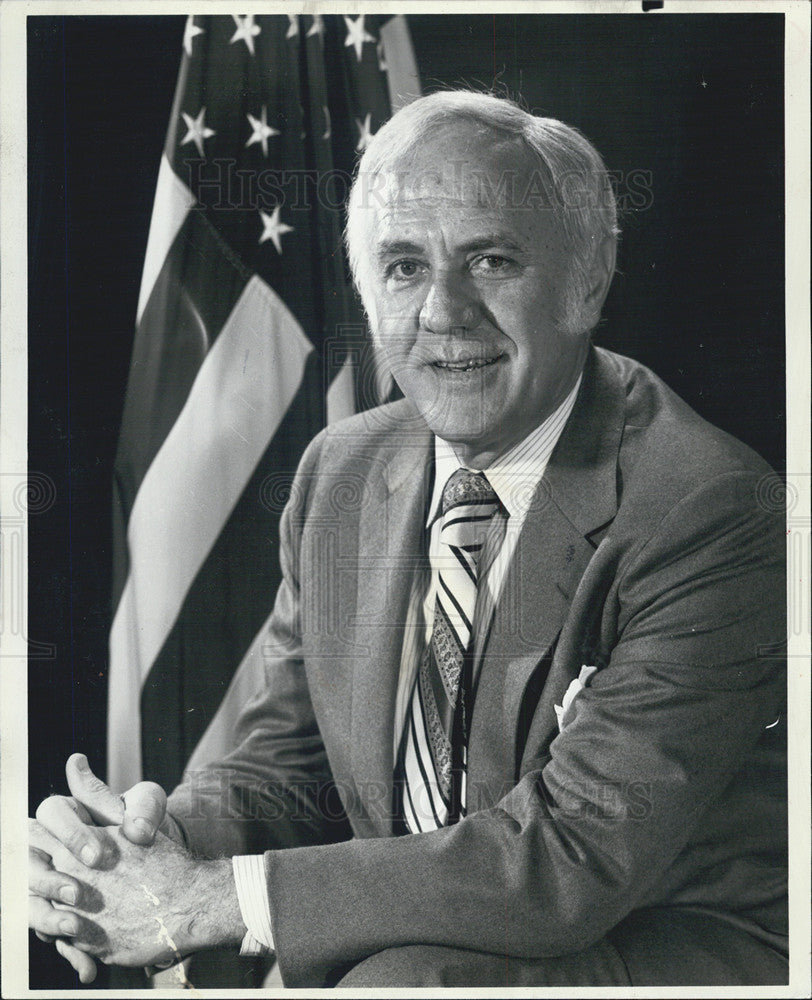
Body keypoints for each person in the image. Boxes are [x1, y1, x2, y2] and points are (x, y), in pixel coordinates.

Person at [28, 90, 787, 987]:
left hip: (659, 935)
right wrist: (152, 849)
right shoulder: (341, 472)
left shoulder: (707, 508)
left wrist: (215, 900)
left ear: (586, 283)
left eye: (492, 261)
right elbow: (291, 762)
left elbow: (569, 859)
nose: (443, 312)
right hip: (434, 924)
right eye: (402, 268)